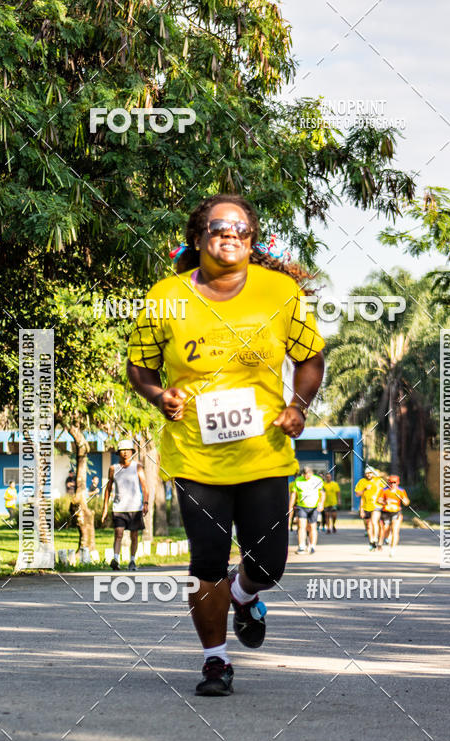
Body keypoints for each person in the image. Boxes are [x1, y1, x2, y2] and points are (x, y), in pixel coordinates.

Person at [127, 193, 324, 696]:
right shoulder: (165, 297)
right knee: (207, 559)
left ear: (252, 239)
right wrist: (158, 394)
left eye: (240, 227)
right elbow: (140, 366)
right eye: (218, 226)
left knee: (269, 564)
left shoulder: (280, 291)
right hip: (195, 454)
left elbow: (310, 358)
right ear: (199, 236)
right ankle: (215, 661)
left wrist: (298, 405)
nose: (229, 233)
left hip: (263, 452)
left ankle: (244, 594)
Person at [101, 439, 149, 571]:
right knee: (118, 533)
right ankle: (116, 559)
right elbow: (108, 488)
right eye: (123, 451)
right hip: (119, 507)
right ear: (119, 453)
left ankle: (132, 561)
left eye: (128, 450)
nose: (125, 453)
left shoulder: (137, 467)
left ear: (132, 452)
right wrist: (105, 508)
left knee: (134, 535)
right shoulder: (113, 469)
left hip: (135, 507)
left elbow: (145, 486)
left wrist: (145, 503)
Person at [289, 467, 325, 553]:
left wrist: (321, 504)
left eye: (308, 475)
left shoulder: (318, 480)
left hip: (314, 507)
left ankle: (312, 546)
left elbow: (322, 493)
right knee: (301, 526)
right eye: (304, 475)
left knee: (312, 527)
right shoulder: (298, 480)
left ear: (311, 473)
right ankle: (301, 546)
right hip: (301, 507)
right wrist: (290, 506)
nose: (306, 477)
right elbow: (293, 494)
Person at [355, 466, 385, 551]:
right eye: (367, 473)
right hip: (366, 506)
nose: (369, 475)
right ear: (365, 474)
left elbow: (386, 489)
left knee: (374, 521)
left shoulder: (379, 481)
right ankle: (372, 541)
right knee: (368, 526)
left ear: (373, 473)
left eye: (370, 473)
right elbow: (358, 494)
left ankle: (375, 538)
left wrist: (383, 500)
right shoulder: (362, 482)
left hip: (377, 505)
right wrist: (364, 489)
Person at [379, 475, 409, 557]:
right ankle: (387, 538)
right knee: (386, 529)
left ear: (398, 482)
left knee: (395, 530)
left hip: (396, 512)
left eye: (394, 482)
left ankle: (392, 549)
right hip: (386, 512)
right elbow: (379, 500)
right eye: (390, 482)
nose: (392, 484)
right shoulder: (384, 490)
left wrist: (404, 500)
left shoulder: (401, 491)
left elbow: (406, 502)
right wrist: (385, 502)